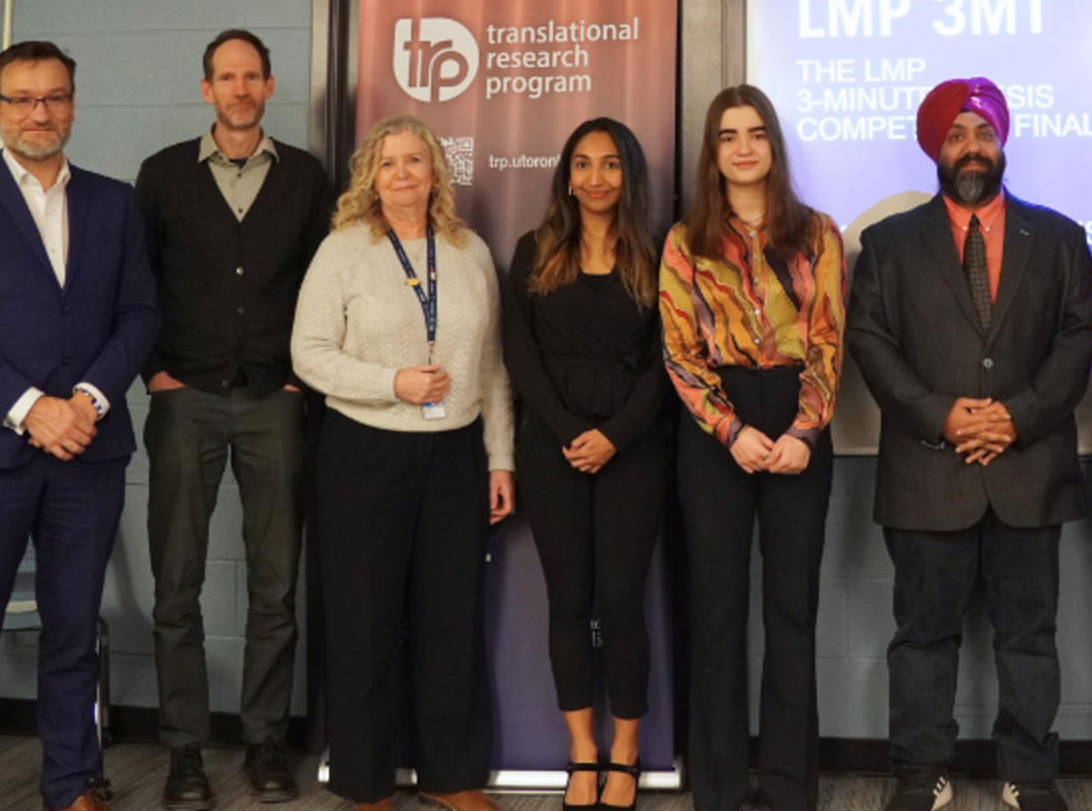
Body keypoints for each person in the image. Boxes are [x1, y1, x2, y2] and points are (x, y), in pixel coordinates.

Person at [846, 77, 1092, 811]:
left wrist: (1015, 417)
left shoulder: (1056, 238)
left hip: (1030, 465)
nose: (972, 147)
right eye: (956, 134)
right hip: (928, 471)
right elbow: (870, 341)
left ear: (1002, 142)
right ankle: (921, 772)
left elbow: (1077, 339)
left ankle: (1031, 771)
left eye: (983, 132)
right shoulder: (887, 245)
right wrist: (942, 416)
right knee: (922, 636)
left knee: (1030, 635)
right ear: (936, 148)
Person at [291, 114, 514, 811]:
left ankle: (451, 776)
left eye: (415, 161)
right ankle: (364, 782)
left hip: (453, 455)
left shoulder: (470, 251)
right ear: (371, 177)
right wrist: (394, 383)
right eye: (388, 164)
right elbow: (309, 353)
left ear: (434, 173)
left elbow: (493, 368)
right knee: (363, 622)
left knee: (451, 619)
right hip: (364, 453)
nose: (402, 174)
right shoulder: (343, 251)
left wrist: (499, 460)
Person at [134, 29, 331, 808]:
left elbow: (326, 283)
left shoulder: (307, 177)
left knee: (275, 586)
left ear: (270, 87)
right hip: (184, 401)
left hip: (275, 404)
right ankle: (184, 748)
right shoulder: (162, 175)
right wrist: (156, 373)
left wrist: (296, 384)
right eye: (227, 76)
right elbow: (135, 281)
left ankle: (264, 740)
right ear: (206, 88)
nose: (241, 88)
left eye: (253, 76)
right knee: (176, 585)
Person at [0, 41, 158, 811]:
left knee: (73, 632)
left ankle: (73, 783)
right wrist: (29, 408)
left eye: (54, 96)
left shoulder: (116, 202)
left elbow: (143, 313)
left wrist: (85, 402)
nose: (39, 112)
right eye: (22, 98)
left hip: (89, 451)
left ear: (73, 103)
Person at [659, 86, 844, 811]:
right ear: (712, 150)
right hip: (716, 429)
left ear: (773, 146)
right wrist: (729, 430)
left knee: (792, 611)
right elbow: (678, 352)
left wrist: (804, 430)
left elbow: (828, 338)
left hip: (798, 416)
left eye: (756, 133)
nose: (743, 147)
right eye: (728, 135)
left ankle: (793, 786)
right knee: (716, 610)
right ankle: (721, 785)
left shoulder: (818, 233)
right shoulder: (684, 241)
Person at [504, 119, 671, 811]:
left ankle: (626, 755)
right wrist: (573, 432)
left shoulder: (659, 254)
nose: (595, 178)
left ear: (629, 175)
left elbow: (671, 359)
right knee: (569, 602)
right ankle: (582, 752)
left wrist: (615, 435)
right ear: (566, 175)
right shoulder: (533, 251)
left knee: (621, 603)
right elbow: (519, 354)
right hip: (553, 446)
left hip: (635, 447)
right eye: (582, 164)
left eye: (609, 165)